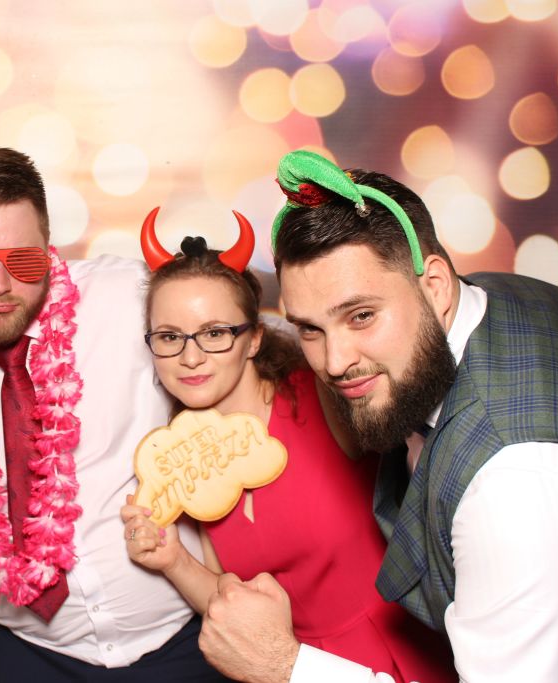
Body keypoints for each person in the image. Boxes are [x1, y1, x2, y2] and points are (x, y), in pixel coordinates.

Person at [197, 150, 558, 682]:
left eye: (361, 316)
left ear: (436, 286)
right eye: (310, 329)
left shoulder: (510, 488)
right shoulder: (482, 296)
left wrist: (284, 666)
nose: (335, 362)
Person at [0, 146, 228, 682]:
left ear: (49, 248)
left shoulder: (130, 297)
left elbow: (245, 346)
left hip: (186, 641)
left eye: (23, 261)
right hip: (29, 658)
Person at [120, 208, 455, 682]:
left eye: (215, 333)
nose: (190, 357)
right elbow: (232, 608)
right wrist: (172, 560)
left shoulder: (325, 393)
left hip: (403, 655)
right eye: (169, 336)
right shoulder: (185, 461)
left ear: (254, 338)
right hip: (285, 669)